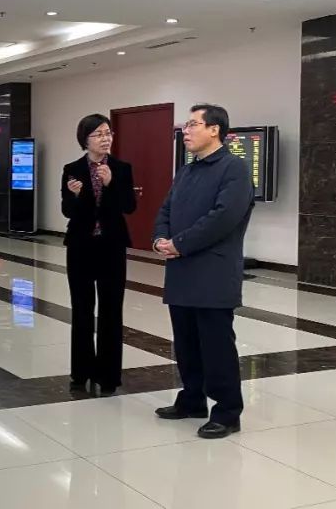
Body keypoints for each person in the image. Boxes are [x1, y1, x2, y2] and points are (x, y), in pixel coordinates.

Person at [152, 104, 254, 439]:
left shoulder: (234, 169)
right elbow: (166, 209)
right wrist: (160, 239)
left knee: (216, 346)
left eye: (193, 124)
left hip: (213, 273)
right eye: (186, 125)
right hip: (181, 271)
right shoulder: (187, 171)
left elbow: (223, 218)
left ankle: (227, 412)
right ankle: (192, 399)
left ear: (214, 129)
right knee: (186, 343)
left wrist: (179, 243)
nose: (186, 130)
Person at [61, 114, 136, 395]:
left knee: (111, 310)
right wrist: (74, 196)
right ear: (85, 140)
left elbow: (129, 206)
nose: (106, 139)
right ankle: (81, 371)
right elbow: (67, 211)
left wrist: (111, 183)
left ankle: (108, 375)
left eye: (108, 133)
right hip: (80, 247)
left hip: (111, 247)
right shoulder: (72, 169)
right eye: (98, 134)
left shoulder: (122, 168)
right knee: (81, 309)